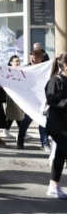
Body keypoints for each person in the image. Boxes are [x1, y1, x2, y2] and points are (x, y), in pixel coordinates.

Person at [43, 54, 67, 199]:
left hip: (64, 125)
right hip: (58, 125)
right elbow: (52, 100)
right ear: (65, 66)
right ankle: (53, 186)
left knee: (61, 154)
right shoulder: (55, 80)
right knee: (62, 152)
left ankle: (53, 186)